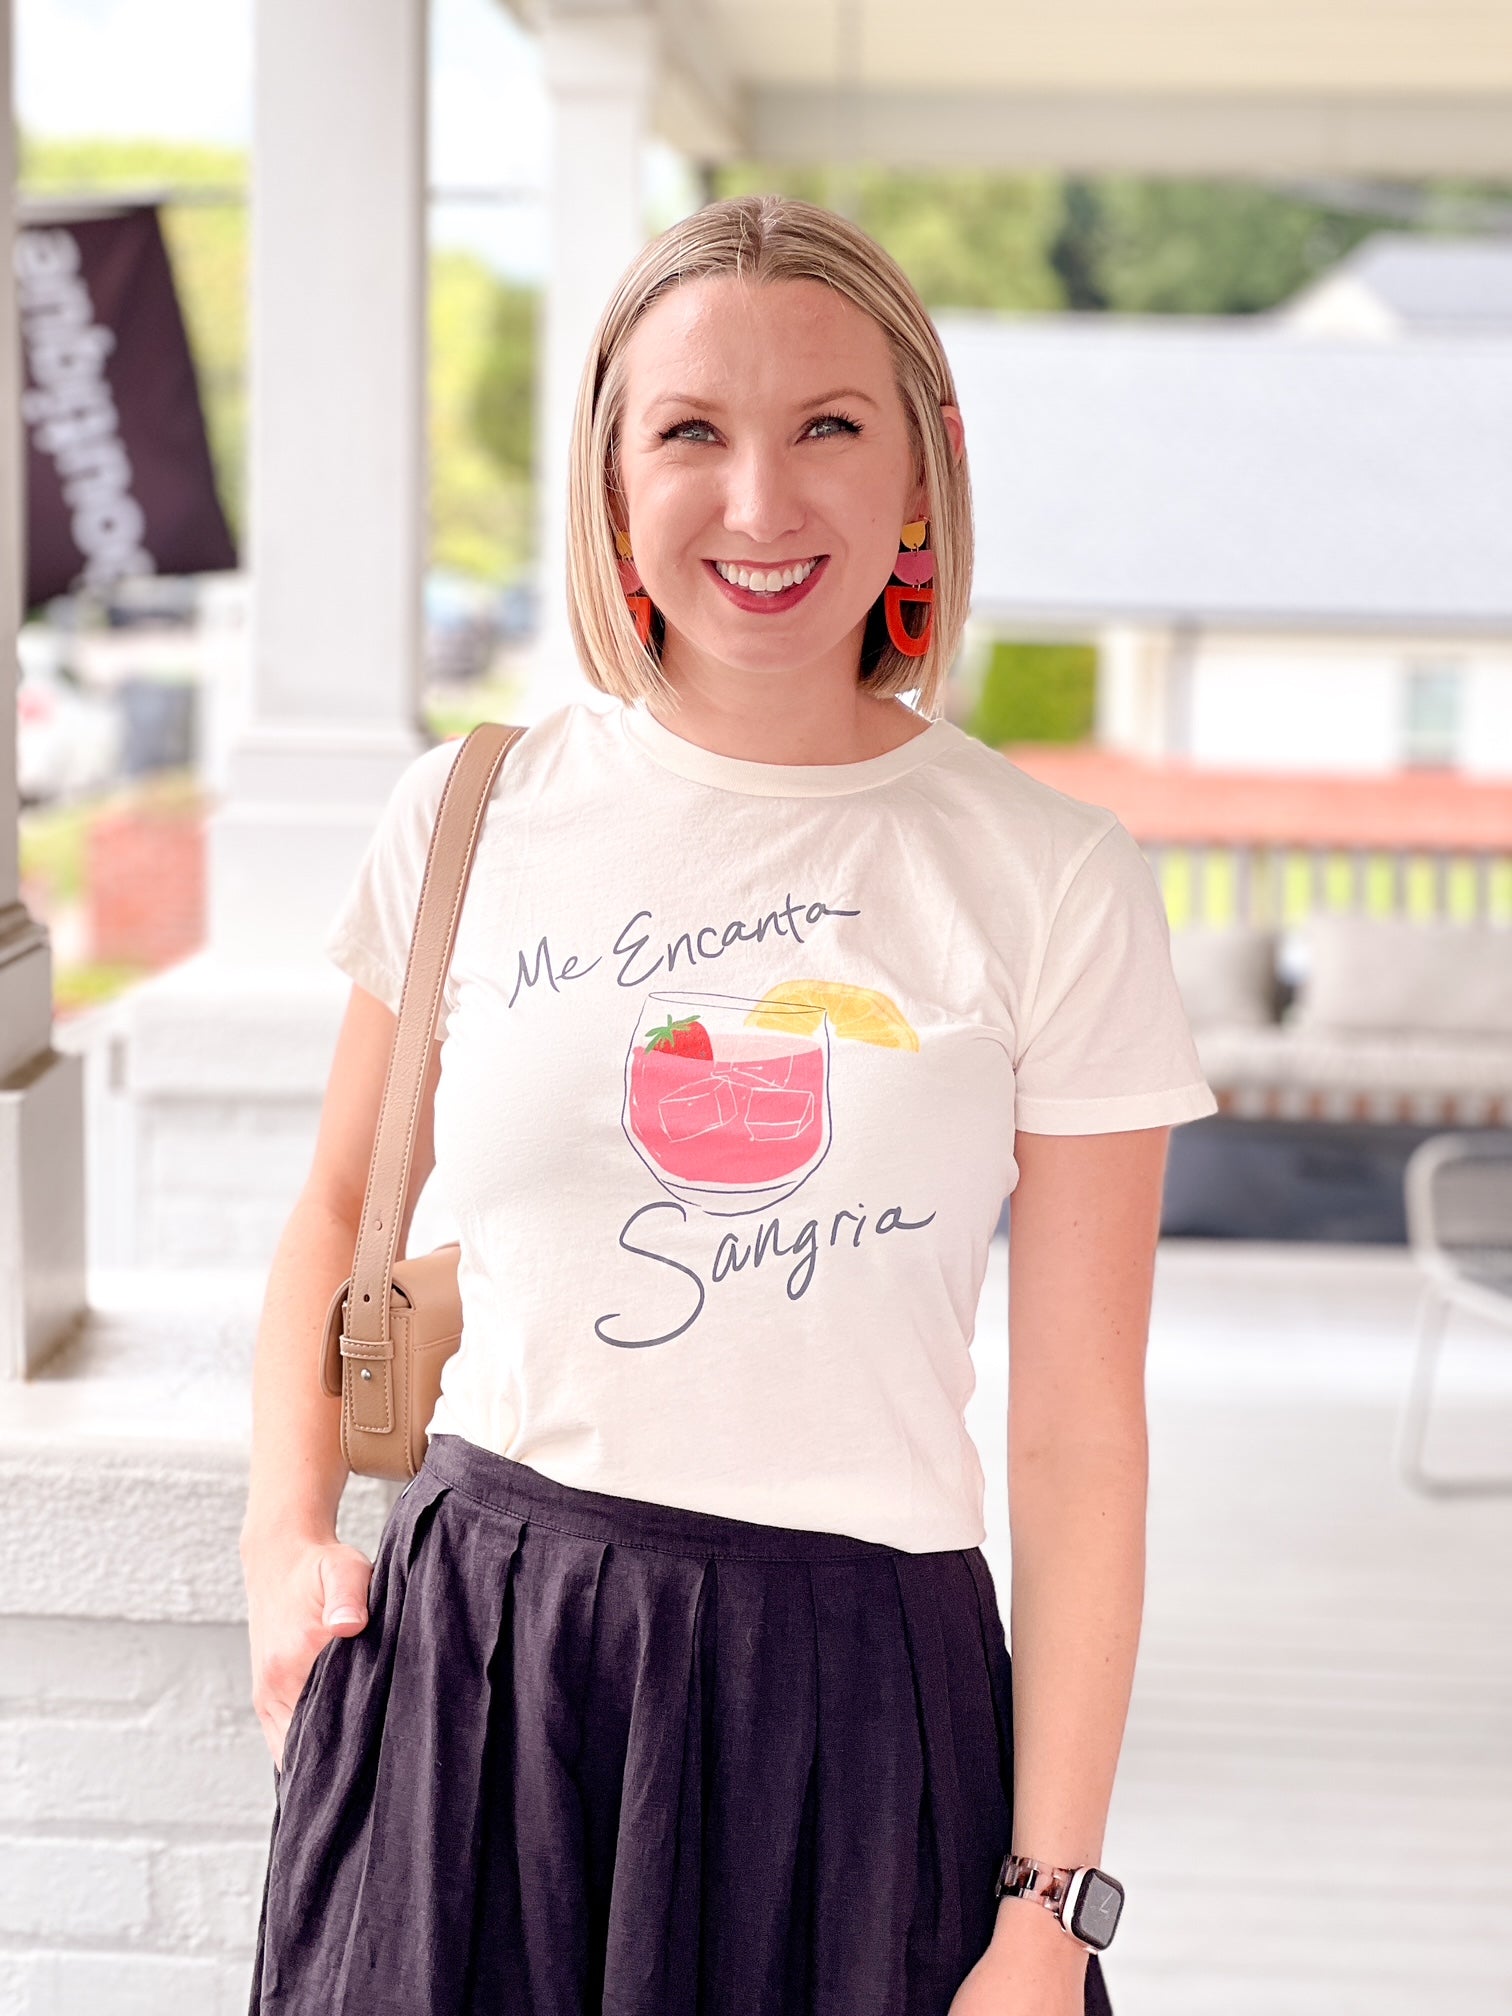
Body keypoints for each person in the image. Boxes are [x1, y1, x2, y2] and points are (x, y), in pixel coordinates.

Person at [241, 194, 1218, 2016]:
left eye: (829, 428)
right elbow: (332, 1215)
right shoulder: (471, 813)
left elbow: (1084, 1432)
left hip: (853, 1710)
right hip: (485, 1677)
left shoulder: (1048, 876)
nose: (760, 506)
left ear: (922, 471)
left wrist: (1047, 1905)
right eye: (691, 432)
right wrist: (283, 1541)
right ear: (613, 481)